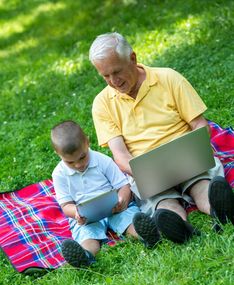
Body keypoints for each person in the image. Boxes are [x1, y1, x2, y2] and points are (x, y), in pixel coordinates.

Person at [89, 32, 234, 243]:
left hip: (185, 154)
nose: (113, 81)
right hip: (146, 169)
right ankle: (178, 227)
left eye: (117, 72)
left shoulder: (168, 78)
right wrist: (141, 170)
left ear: (133, 58)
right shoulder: (102, 103)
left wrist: (196, 148)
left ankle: (220, 210)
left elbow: (199, 124)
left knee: (202, 184)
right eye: (105, 76)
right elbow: (119, 154)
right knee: (162, 203)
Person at [51, 120, 160, 268]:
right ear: (58, 154)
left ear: (87, 142)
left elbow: (123, 185)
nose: (78, 165)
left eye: (82, 157)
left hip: (114, 207)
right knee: (87, 236)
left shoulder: (102, 161)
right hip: (87, 217)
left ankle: (147, 235)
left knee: (129, 221)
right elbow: (65, 205)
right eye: (70, 162)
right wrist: (76, 213)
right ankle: (85, 255)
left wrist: (123, 200)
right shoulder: (59, 174)